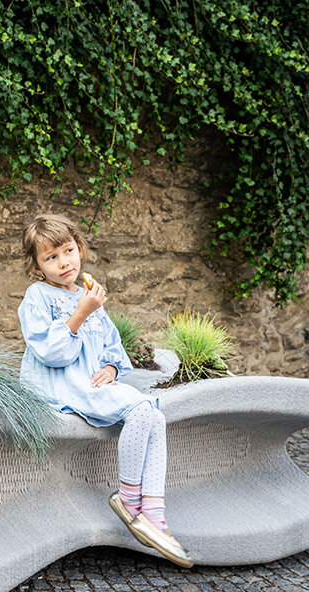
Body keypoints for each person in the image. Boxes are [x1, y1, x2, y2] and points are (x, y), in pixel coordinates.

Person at [17, 214, 192, 568]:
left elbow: (112, 345)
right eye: (51, 257)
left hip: (91, 383)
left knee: (154, 416)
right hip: (61, 385)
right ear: (37, 267)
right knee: (143, 410)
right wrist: (81, 312)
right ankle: (129, 500)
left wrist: (112, 367)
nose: (63, 262)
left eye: (68, 251)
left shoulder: (89, 295)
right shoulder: (37, 297)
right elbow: (52, 353)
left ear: (79, 248)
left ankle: (154, 510)